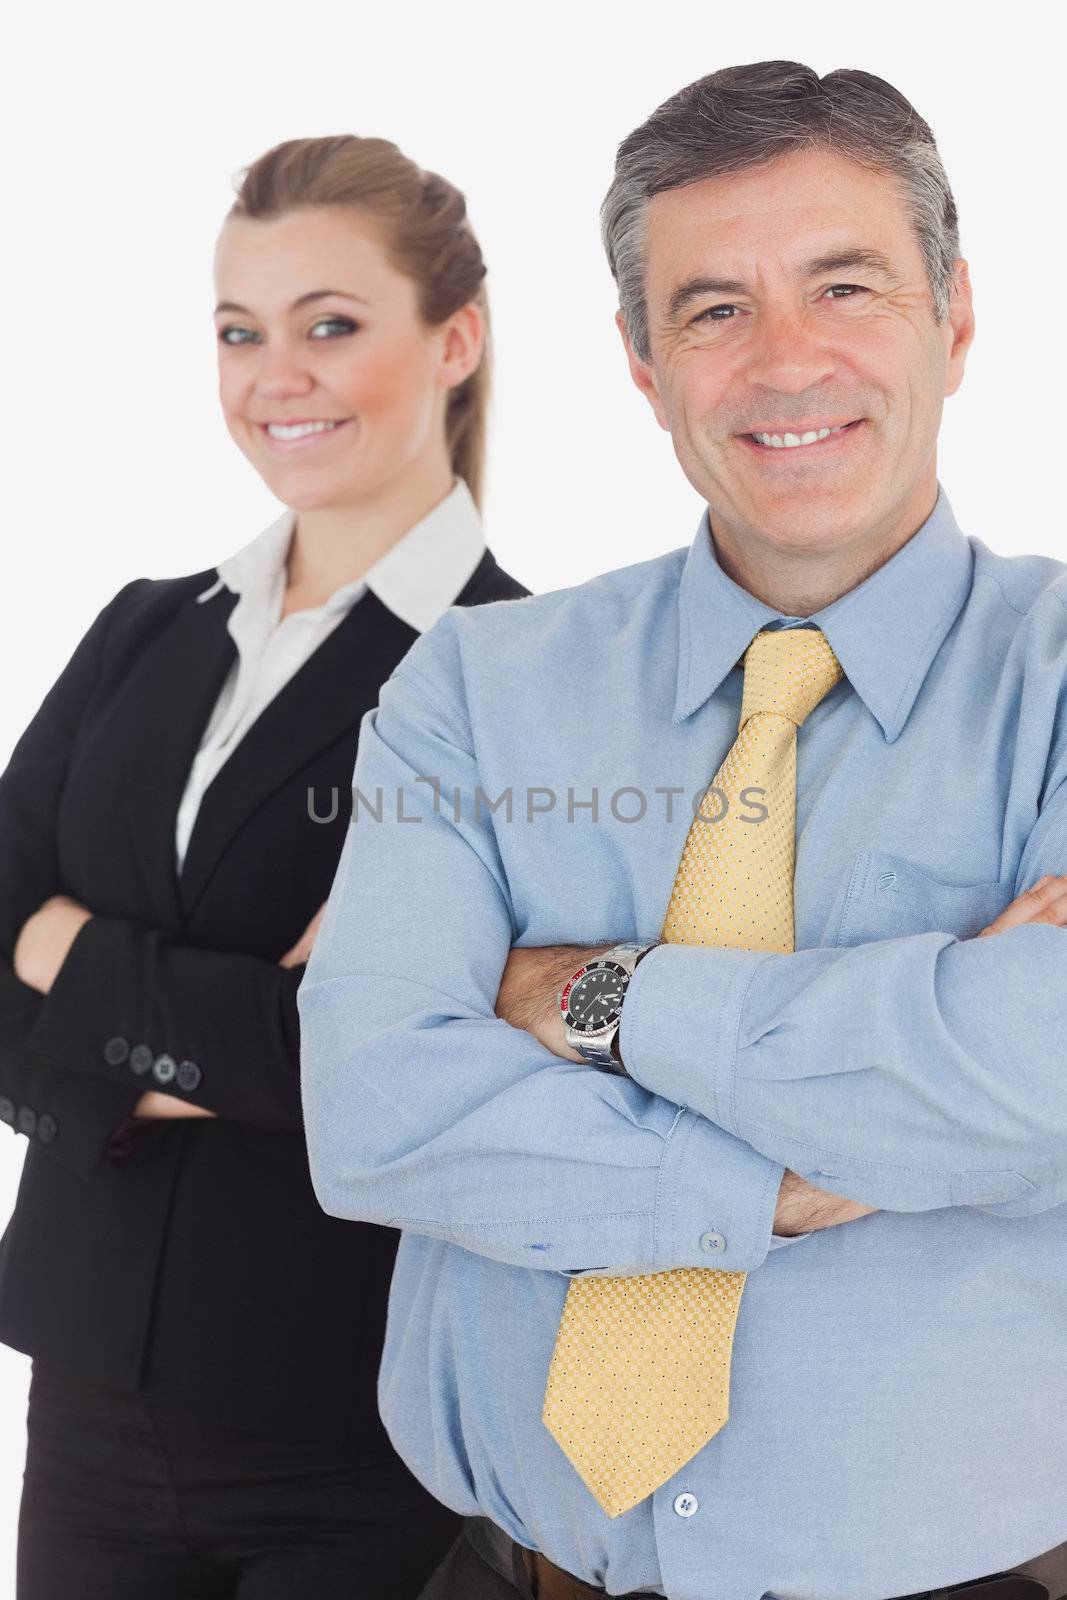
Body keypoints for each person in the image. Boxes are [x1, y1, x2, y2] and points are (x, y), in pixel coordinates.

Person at [297, 61, 1067, 1600]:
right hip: (507, 1571)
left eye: (844, 286)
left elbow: (1043, 1068)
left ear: (956, 320)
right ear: (645, 365)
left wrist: (599, 996)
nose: (786, 363)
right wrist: (770, 1178)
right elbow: (373, 1102)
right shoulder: (473, 684)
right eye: (713, 309)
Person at [0, 133, 527, 1599]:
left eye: (331, 326)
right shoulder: (140, 631)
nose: (272, 375)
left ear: (454, 341)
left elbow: (365, 1059)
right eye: (241, 332)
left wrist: (66, 951)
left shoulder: (519, 678)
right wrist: (230, 1026)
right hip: (87, 1392)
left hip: (351, 1422)